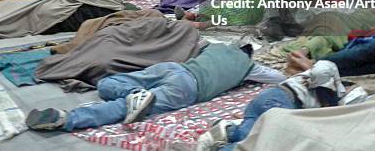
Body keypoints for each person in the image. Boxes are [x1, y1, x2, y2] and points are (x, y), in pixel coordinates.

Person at [25, 43, 285, 132]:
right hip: (189, 88)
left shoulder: (216, 47)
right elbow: (278, 79)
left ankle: (137, 95)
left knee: (109, 84)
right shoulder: (250, 68)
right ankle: (65, 119)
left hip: (173, 68)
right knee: (122, 106)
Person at [199, 61, 345, 150]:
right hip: (281, 105)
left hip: (265, 98)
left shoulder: (304, 77)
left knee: (247, 134)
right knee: (263, 144)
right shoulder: (327, 86)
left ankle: (228, 130)